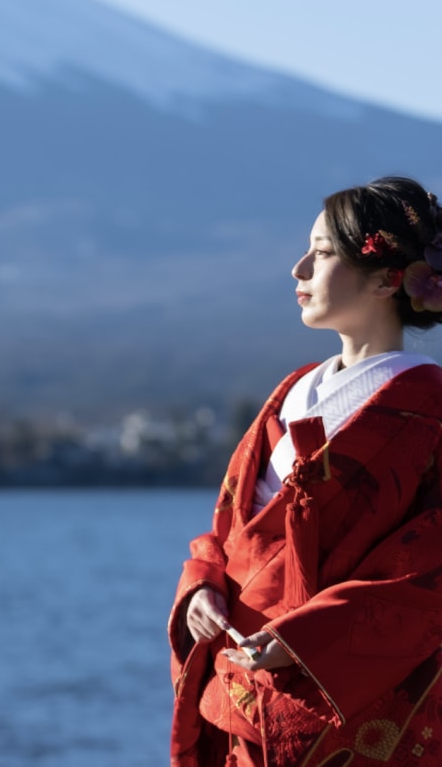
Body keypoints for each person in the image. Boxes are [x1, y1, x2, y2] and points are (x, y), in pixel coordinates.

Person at [169, 176, 442, 767]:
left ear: (387, 278)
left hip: (337, 694)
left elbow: (431, 563)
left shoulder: (430, 408)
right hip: (239, 676)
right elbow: (229, 528)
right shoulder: (292, 391)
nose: (297, 270)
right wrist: (203, 584)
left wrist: (310, 637)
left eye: (320, 254)